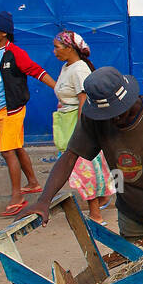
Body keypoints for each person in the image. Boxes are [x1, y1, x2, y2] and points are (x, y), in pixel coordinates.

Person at [26, 68, 143, 245]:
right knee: (140, 268)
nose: (113, 120)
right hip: (132, 214)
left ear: (129, 101)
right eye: (106, 116)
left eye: (118, 114)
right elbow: (69, 157)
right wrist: (43, 201)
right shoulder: (95, 118)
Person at [0, 11, 56, 216]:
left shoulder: (15, 53)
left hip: (13, 110)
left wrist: (58, 89)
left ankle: (17, 196)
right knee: (16, 148)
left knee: (7, 151)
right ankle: (33, 183)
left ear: (4, 33)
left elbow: (37, 71)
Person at [51, 30, 116, 223]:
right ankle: (102, 198)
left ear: (69, 48)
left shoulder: (79, 69)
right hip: (66, 122)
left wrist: (82, 130)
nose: (54, 51)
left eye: (57, 47)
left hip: (76, 124)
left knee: (83, 169)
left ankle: (95, 213)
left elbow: (84, 101)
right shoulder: (67, 67)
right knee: (82, 168)